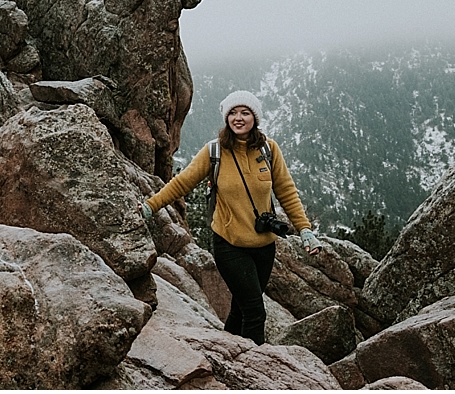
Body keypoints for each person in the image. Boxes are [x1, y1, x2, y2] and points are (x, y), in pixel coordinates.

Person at [137, 90, 321, 345]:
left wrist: (305, 230)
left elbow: (286, 191)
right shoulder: (215, 151)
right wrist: (151, 206)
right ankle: (258, 369)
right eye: (233, 113)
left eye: (245, 112)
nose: (238, 118)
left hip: (265, 247)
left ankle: (227, 353)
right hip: (230, 245)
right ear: (226, 118)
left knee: (240, 307)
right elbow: (182, 183)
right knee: (256, 311)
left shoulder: (269, 150)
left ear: (254, 118)